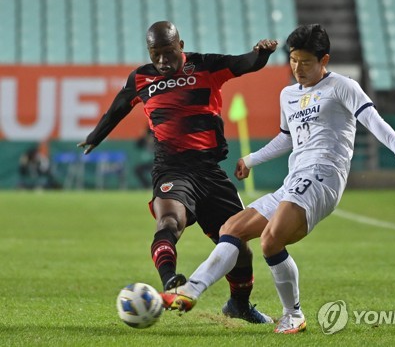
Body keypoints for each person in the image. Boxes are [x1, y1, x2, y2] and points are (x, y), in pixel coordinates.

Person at [162, 24, 395, 333]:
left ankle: (293, 314)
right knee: (232, 228)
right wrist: (250, 159)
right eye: (293, 60)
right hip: (295, 178)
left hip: (324, 175)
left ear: (324, 60)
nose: (297, 68)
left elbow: (373, 120)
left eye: (305, 61)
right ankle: (190, 291)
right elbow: (286, 138)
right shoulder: (288, 94)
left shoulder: (343, 86)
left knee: (270, 240)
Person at [78, 21, 278, 323]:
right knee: (170, 221)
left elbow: (243, 64)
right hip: (172, 169)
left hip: (210, 171)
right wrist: (95, 136)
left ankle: (239, 304)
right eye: (156, 54)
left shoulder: (205, 65)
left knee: (240, 249)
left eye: (168, 52)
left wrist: (260, 54)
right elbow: (118, 107)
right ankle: (170, 280)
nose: (162, 61)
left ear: (180, 46)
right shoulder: (141, 78)